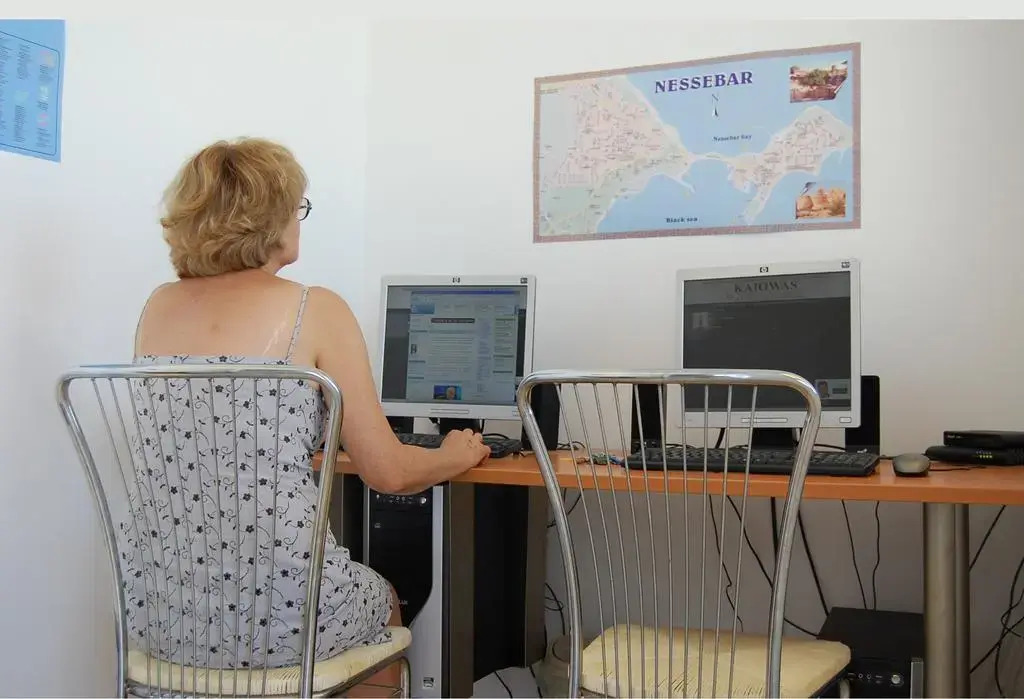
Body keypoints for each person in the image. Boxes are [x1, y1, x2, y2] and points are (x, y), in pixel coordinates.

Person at [126, 137, 490, 687]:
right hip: (283, 615)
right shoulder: (313, 308)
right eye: (297, 207)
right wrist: (453, 454)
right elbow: (389, 472)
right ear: (270, 218)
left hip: (162, 612)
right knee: (385, 597)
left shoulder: (157, 307)